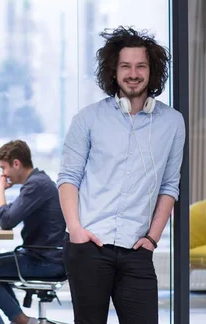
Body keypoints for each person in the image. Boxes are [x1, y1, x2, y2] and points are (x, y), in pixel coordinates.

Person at [58, 26, 186, 324]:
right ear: (113, 71)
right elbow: (68, 178)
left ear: (151, 71)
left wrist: (153, 238)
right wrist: (76, 230)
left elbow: (169, 186)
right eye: (125, 66)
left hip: (136, 249)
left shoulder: (172, 122)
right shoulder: (88, 118)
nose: (133, 73)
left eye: (140, 66)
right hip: (88, 245)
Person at [0, 140, 66, 324]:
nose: (3, 174)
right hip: (42, 256)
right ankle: (20, 319)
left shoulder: (37, 185)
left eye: (4, 168)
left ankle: (21, 320)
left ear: (16, 164)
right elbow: (9, 215)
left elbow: (6, 221)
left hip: (44, 261)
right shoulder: (37, 183)